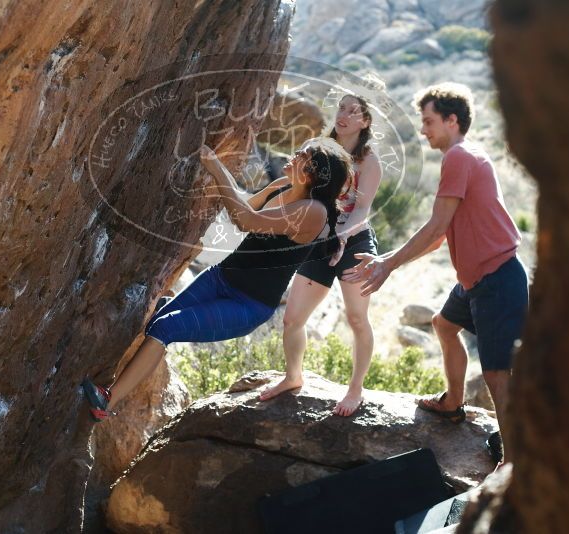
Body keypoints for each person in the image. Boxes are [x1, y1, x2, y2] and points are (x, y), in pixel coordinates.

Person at [81, 137, 353, 422]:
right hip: (219, 278)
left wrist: (215, 166)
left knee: (167, 326)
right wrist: (219, 172)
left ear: (312, 172)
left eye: (303, 155)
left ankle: (107, 403)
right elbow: (245, 204)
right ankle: (119, 387)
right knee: (157, 317)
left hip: (248, 305)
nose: (294, 155)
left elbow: (245, 220)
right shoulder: (283, 186)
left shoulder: (313, 212)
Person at [343, 83, 528, 465]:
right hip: (478, 279)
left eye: (429, 121)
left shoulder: (459, 157)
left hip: (496, 279)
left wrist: (387, 264)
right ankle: (454, 403)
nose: (423, 129)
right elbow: (439, 235)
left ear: (452, 120)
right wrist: (388, 260)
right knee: (444, 325)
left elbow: (434, 225)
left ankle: (513, 463)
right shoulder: (466, 156)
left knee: (495, 373)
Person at [259, 94, 383, 417]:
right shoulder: (321, 149)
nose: (343, 115)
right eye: (341, 107)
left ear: (365, 122)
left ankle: (356, 388)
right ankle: (292, 376)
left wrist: (341, 238)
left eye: (353, 111)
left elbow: (362, 212)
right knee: (292, 319)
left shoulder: (369, 162)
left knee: (357, 318)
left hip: (353, 244)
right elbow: (302, 190)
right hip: (319, 241)